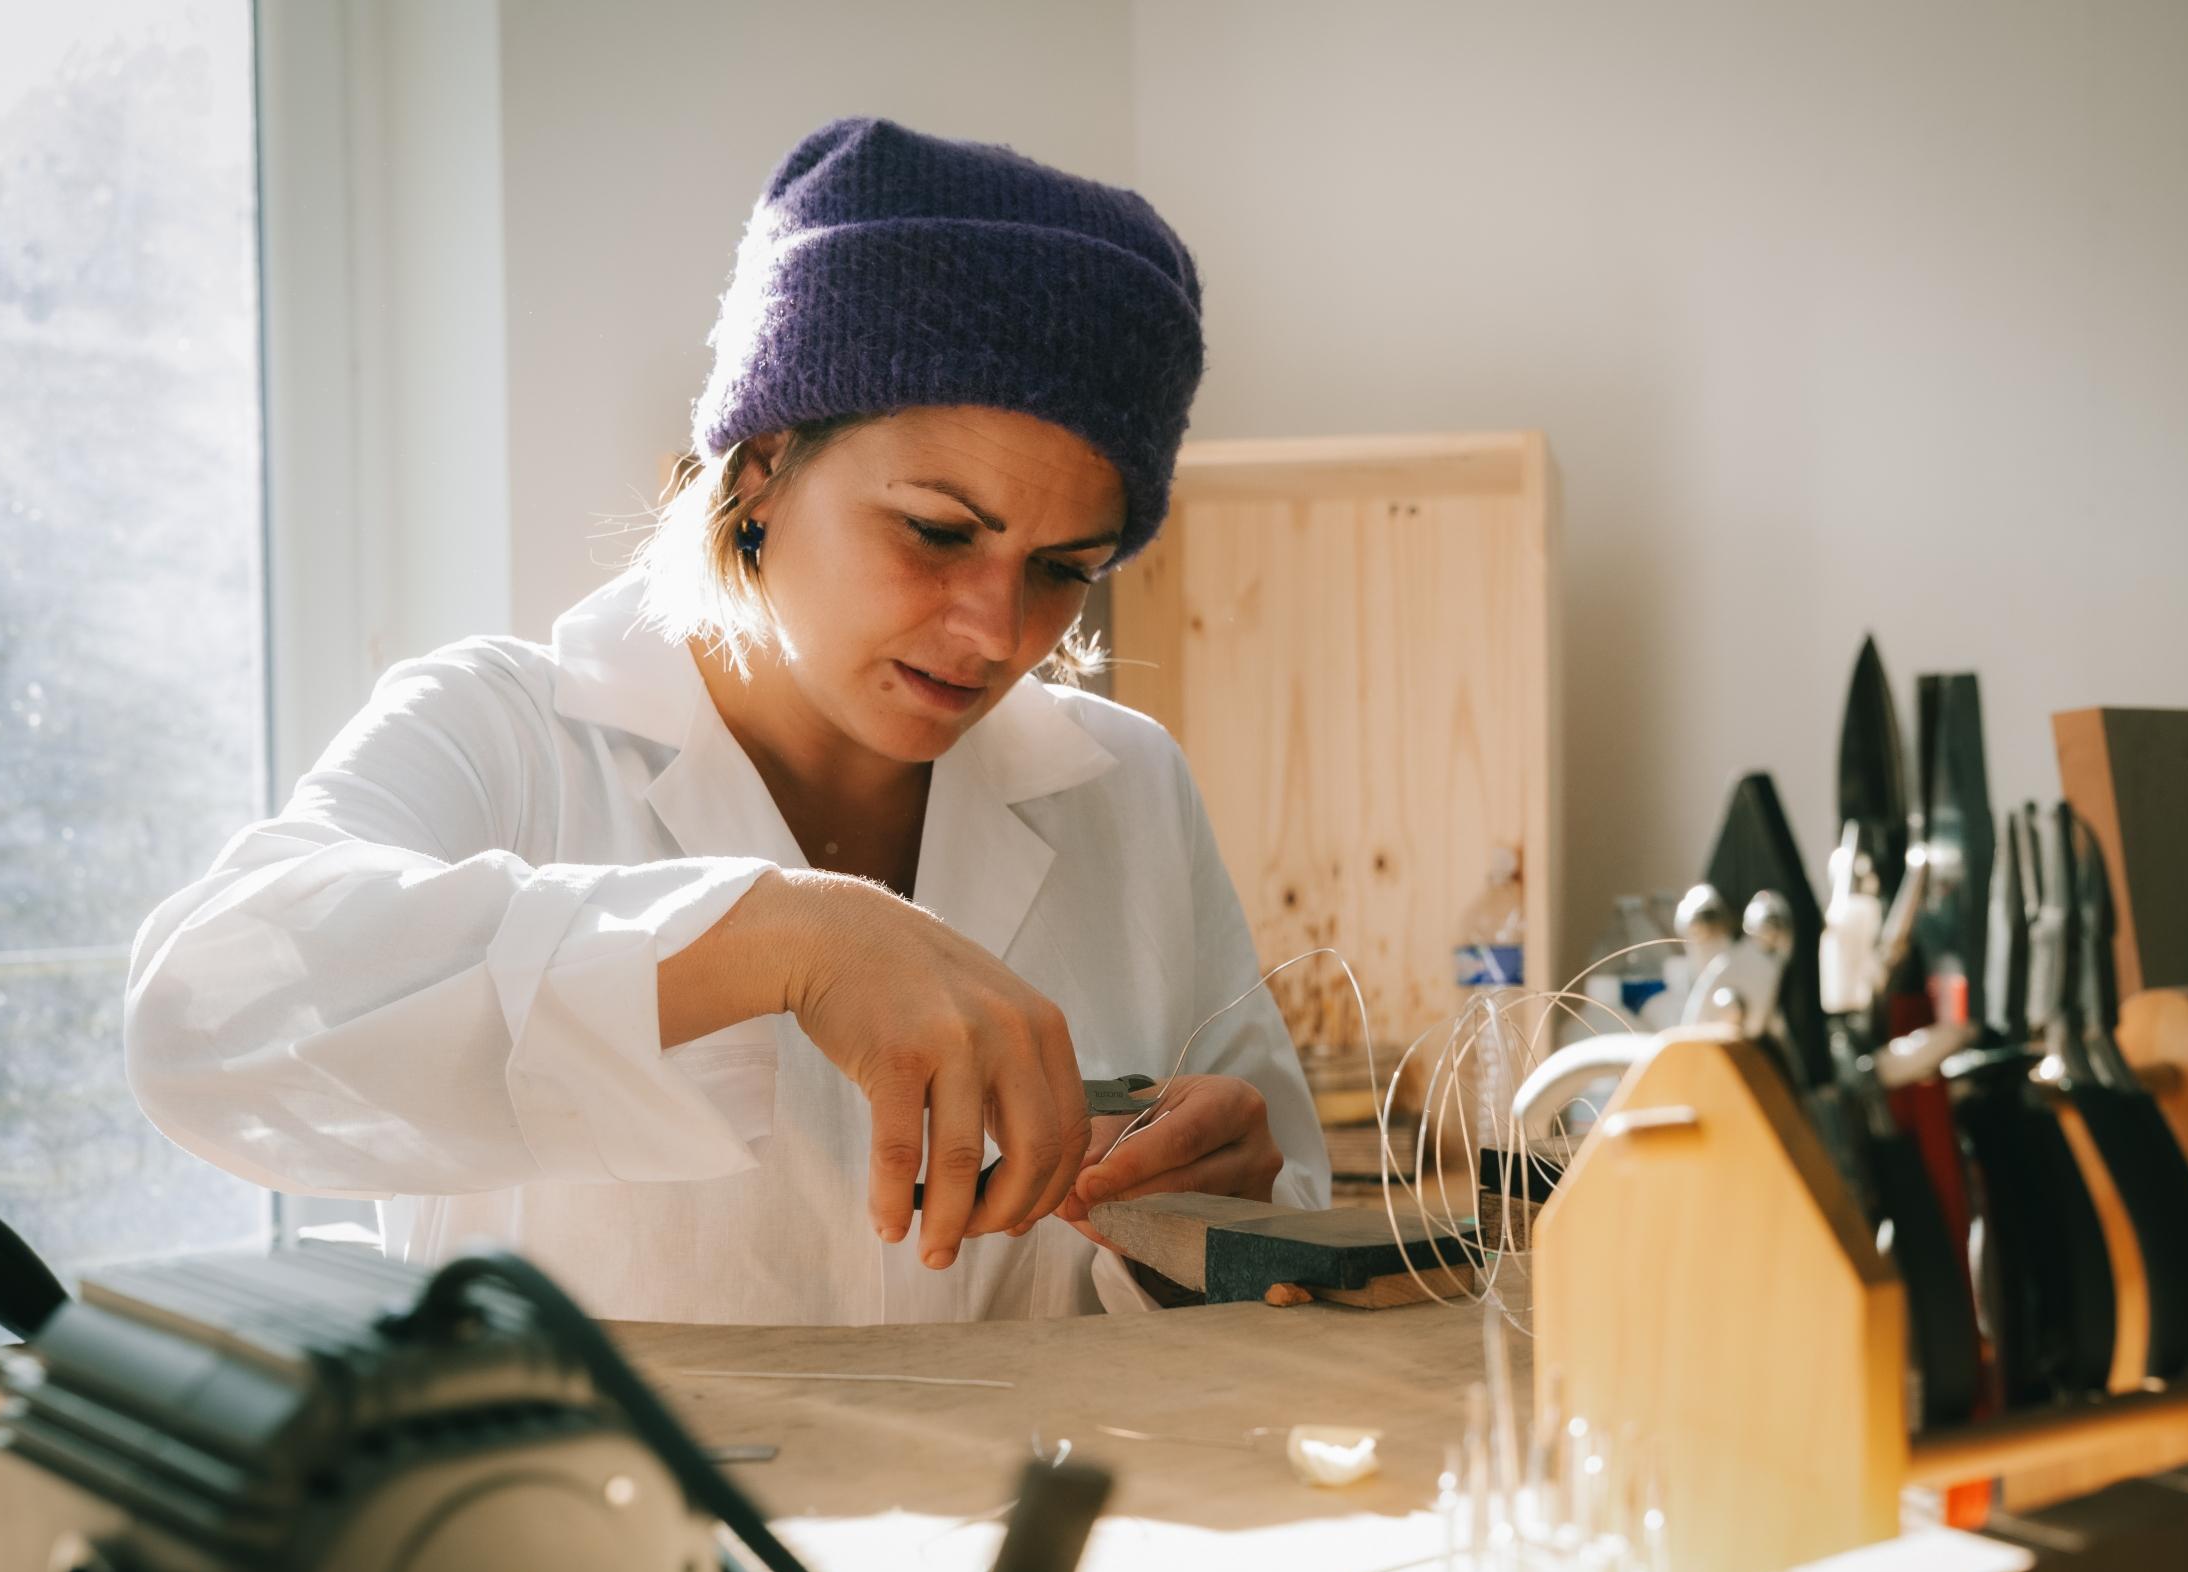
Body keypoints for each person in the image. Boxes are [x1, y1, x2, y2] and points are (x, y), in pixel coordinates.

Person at [123, 116, 1330, 1324]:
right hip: (592, 1511)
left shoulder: (1123, 783)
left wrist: (1221, 1207)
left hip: (1025, 1513)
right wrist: (784, 936)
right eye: (938, 530)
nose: (996, 631)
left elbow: (1286, 1224)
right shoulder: (500, 731)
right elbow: (205, 1020)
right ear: (758, 469)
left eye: (1065, 566)